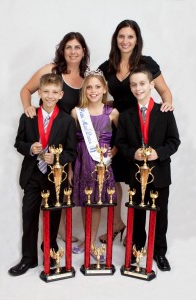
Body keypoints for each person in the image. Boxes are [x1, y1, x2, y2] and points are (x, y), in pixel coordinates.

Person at [98, 19, 174, 245]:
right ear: (115, 39)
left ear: (137, 40)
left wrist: (166, 108)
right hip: (116, 126)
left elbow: (164, 91)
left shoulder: (146, 63)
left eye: (130, 36)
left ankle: (142, 237)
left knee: (136, 178)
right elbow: (103, 96)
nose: (125, 41)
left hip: (139, 126)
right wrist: (108, 109)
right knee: (114, 177)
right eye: (121, 36)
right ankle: (118, 224)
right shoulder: (106, 66)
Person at [20, 32, 90, 242]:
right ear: (63, 49)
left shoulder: (86, 79)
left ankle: (54, 240)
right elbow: (26, 89)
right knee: (39, 198)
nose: (73, 51)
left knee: (60, 191)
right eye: (68, 47)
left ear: (83, 51)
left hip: (69, 140)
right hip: (43, 138)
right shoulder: (52, 70)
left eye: (77, 47)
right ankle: (42, 246)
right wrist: (28, 109)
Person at [8, 73, 77, 276]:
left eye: (54, 92)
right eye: (46, 91)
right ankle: (28, 258)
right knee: (29, 215)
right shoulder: (28, 116)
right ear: (39, 92)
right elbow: (18, 143)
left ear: (61, 94)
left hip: (55, 177)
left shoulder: (66, 121)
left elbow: (71, 152)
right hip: (32, 175)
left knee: (53, 215)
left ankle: (49, 249)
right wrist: (30, 148)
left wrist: (56, 159)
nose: (49, 95)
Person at [115, 68, 180, 271]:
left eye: (142, 84)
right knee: (137, 213)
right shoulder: (126, 116)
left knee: (160, 215)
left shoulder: (165, 112)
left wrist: (157, 153)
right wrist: (133, 153)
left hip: (159, 173)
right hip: (136, 174)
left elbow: (174, 142)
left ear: (151, 85)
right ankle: (136, 250)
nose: (138, 88)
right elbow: (122, 143)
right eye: (134, 85)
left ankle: (159, 252)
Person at [70, 70, 119, 261]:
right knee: (84, 201)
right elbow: (70, 143)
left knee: (97, 203)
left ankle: (90, 241)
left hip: (101, 164)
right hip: (82, 160)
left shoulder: (112, 113)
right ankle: (87, 239)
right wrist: (70, 168)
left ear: (104, 89)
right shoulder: (77, 113)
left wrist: (111, 154)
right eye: (89, 87)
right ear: (84, 90)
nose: (93, 90)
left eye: (97, 87)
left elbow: (122, 139)